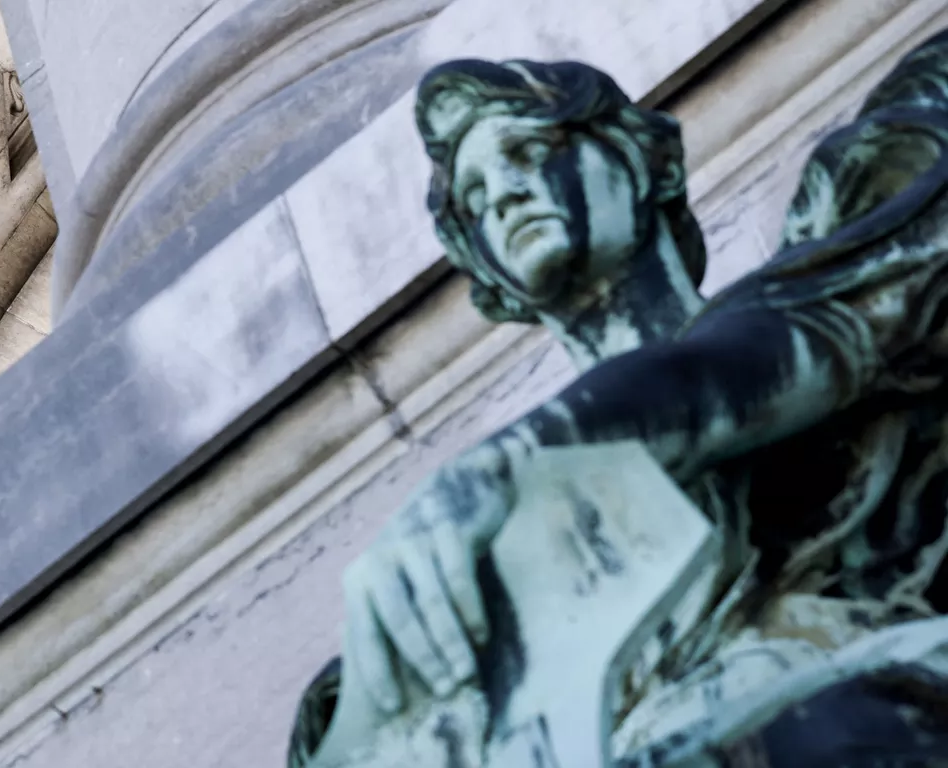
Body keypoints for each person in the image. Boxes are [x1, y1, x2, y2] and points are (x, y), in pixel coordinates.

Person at [297, 31, 948, 766]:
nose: (505, 193)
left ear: (652, 164)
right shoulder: (477, 587)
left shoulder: (842, 271)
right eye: (474, 197)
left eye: (531, 151)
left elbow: (769, 344)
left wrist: (517, 461)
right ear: (485, 272)